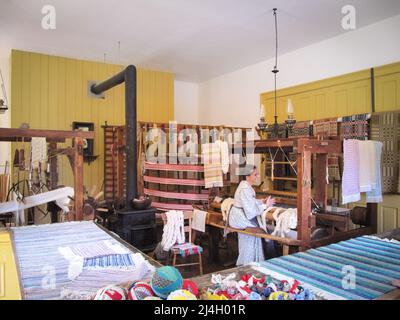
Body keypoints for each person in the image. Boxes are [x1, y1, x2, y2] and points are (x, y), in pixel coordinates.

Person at [228, 166, 276, 266]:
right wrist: (265, 205)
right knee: (255, 233)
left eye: (258, 174)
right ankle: (249, 264)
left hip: (240, 215)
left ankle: (251, 263)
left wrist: (261, 201)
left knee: (255, 233)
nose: (258, 176)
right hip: (239, 218)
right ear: (247, 176)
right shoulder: (245, 188)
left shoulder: (246, 186)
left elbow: (250, 201)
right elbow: (250, 211)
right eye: (255, 174)